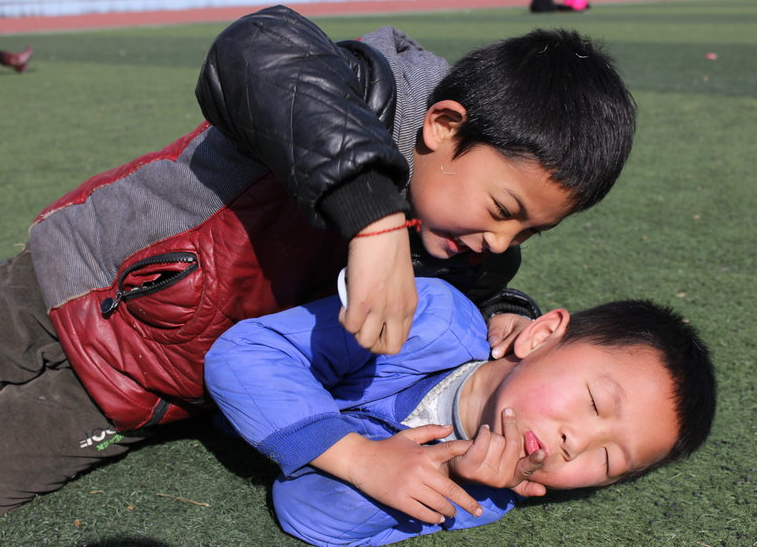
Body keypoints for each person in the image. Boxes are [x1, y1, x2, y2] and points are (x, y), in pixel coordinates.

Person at [0, 6, 635, 511]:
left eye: (529, 233)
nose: (501, 242)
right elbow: (255, 48)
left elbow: (481, 290)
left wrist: (503, 314)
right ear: (443, 126)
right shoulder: (360, 90)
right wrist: (374, 218)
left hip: (137, 394)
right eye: (502, 209)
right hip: (64, 280)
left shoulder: (463, 252)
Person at [205, 277, 716, 546]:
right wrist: (359, 458)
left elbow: (307, 516)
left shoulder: (480, 500)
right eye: (595, 404)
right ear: (539, 334)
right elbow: (241, 356)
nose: (575, 442)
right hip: (187, 329)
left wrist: (438, 473)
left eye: (606, 461)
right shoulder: (433, 321)